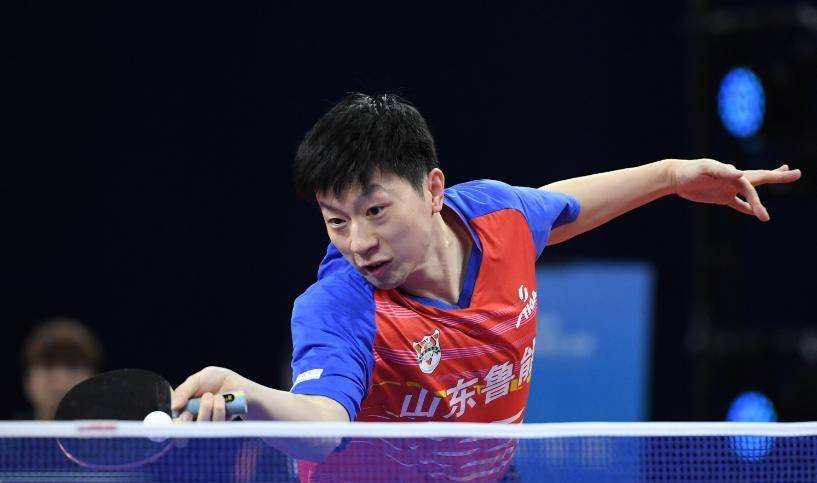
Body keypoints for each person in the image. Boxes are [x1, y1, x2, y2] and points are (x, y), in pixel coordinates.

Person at [171, 94, 801, 477]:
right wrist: (246, 395)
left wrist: (671, 176)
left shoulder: (498, 215)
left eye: (375, 211)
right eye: (336, 221)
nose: (358, 242)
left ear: (433, 190)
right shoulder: (339, 303)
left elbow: (562, 207)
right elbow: (324, 423)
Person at [18, 317, 104, 420]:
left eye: (73, 365)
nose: (60, 378)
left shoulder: (116, 429)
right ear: (27, 380)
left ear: (94, 377)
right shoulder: (6, 429)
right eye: (48, 365)